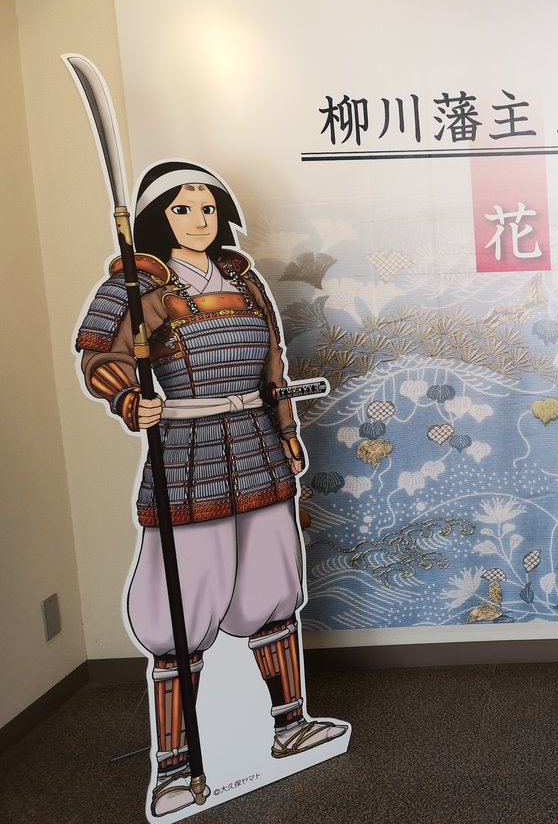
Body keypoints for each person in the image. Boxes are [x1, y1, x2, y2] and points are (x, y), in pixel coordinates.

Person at [76, 160, 346, 816]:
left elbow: (273, 362)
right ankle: (175, 767)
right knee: (180, 605)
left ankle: (290, 725)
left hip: (256, 445)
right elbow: (99, 356)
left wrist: (286, 430)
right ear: (157, 218)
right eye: (182, 209)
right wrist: (130, 399)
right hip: (186, 453)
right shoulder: (138, 280)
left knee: (273, 589)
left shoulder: (243, 277)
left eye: (207, 208)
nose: (199, 220)